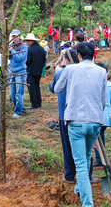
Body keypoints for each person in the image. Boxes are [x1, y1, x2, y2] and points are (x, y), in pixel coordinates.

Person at [54, 42, 107, 207]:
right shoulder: (102, 71)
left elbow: (57, 89)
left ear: (78, 55)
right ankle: (79, 188)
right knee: (85, 156)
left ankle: (87, 203)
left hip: (76, 122)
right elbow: (103, 99)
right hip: (95, 121)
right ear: (93, 55)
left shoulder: (70, 69)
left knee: (81, 165)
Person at [49, 48, 80, 182]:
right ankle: (85, 174)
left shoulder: (61, 73)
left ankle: (69, 175)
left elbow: (52, 89)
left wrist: (57, 72)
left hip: (65, 116)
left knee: (67, 146)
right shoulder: (83, 73)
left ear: (66, 60)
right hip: (81, 115)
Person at [93, 63, 111, 168]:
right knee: (101, 136)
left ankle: (100, 160)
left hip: (97, 113)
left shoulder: (94, 84)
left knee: (97, 137)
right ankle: (102, 159)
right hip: (107, 115)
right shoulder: (110, 85)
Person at [24, 33, 47, 109]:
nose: (27, 42)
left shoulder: (30, 49)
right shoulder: (41, 48)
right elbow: (44, 60)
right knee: (37, 87)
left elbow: (28, 61)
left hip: (31, 71)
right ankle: (38, 103)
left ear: (30, 41)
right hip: (39, 71)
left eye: (27, 41)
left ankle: (34, 104)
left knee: (32, 88)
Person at [9, 29, 27, 118]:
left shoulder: (24, 46)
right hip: (12, 71)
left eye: (16, 36)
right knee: (12, 93)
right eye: (13, 36)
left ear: (20, 36)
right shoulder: (12, 46)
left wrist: (11, 50)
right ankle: (20, 107)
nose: (14, 38)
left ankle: (18, 111)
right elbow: (9, 59)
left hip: (21, 71)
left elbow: (19, 58)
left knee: (19, 93)